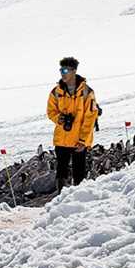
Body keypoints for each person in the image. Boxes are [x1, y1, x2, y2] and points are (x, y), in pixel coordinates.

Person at [46, 56, 98, 190]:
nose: (62, 74)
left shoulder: (87, 92)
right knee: (61, 171)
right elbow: (50, 111)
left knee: (79, 171)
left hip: (78, 140)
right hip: (61, 138)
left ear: (73, 71)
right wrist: (58, 118)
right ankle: (60, 200)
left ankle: (78, 200)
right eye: (60, 70)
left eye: (65, 70)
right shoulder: (55, 92)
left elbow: (90, 117)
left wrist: (83, 140)